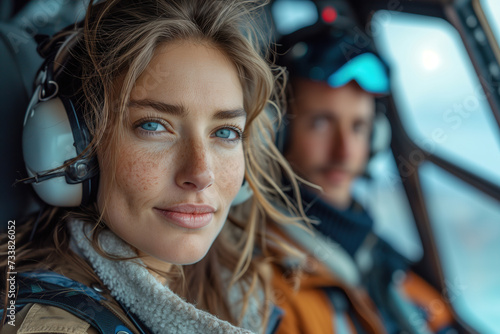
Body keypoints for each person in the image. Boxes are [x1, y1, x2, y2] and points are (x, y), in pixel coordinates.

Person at [0, 0, 306, 333]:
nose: (201, 174)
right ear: (73, 150)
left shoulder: (249, 298)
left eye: (225, 132)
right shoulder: (51, 325)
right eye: (153, 126)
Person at [269, 23, 457, 333]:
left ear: (376, 138)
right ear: (276, 132)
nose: (344, 152)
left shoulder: (378, 256)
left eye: (358, 127)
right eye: (321, 123)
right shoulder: (265, 288)